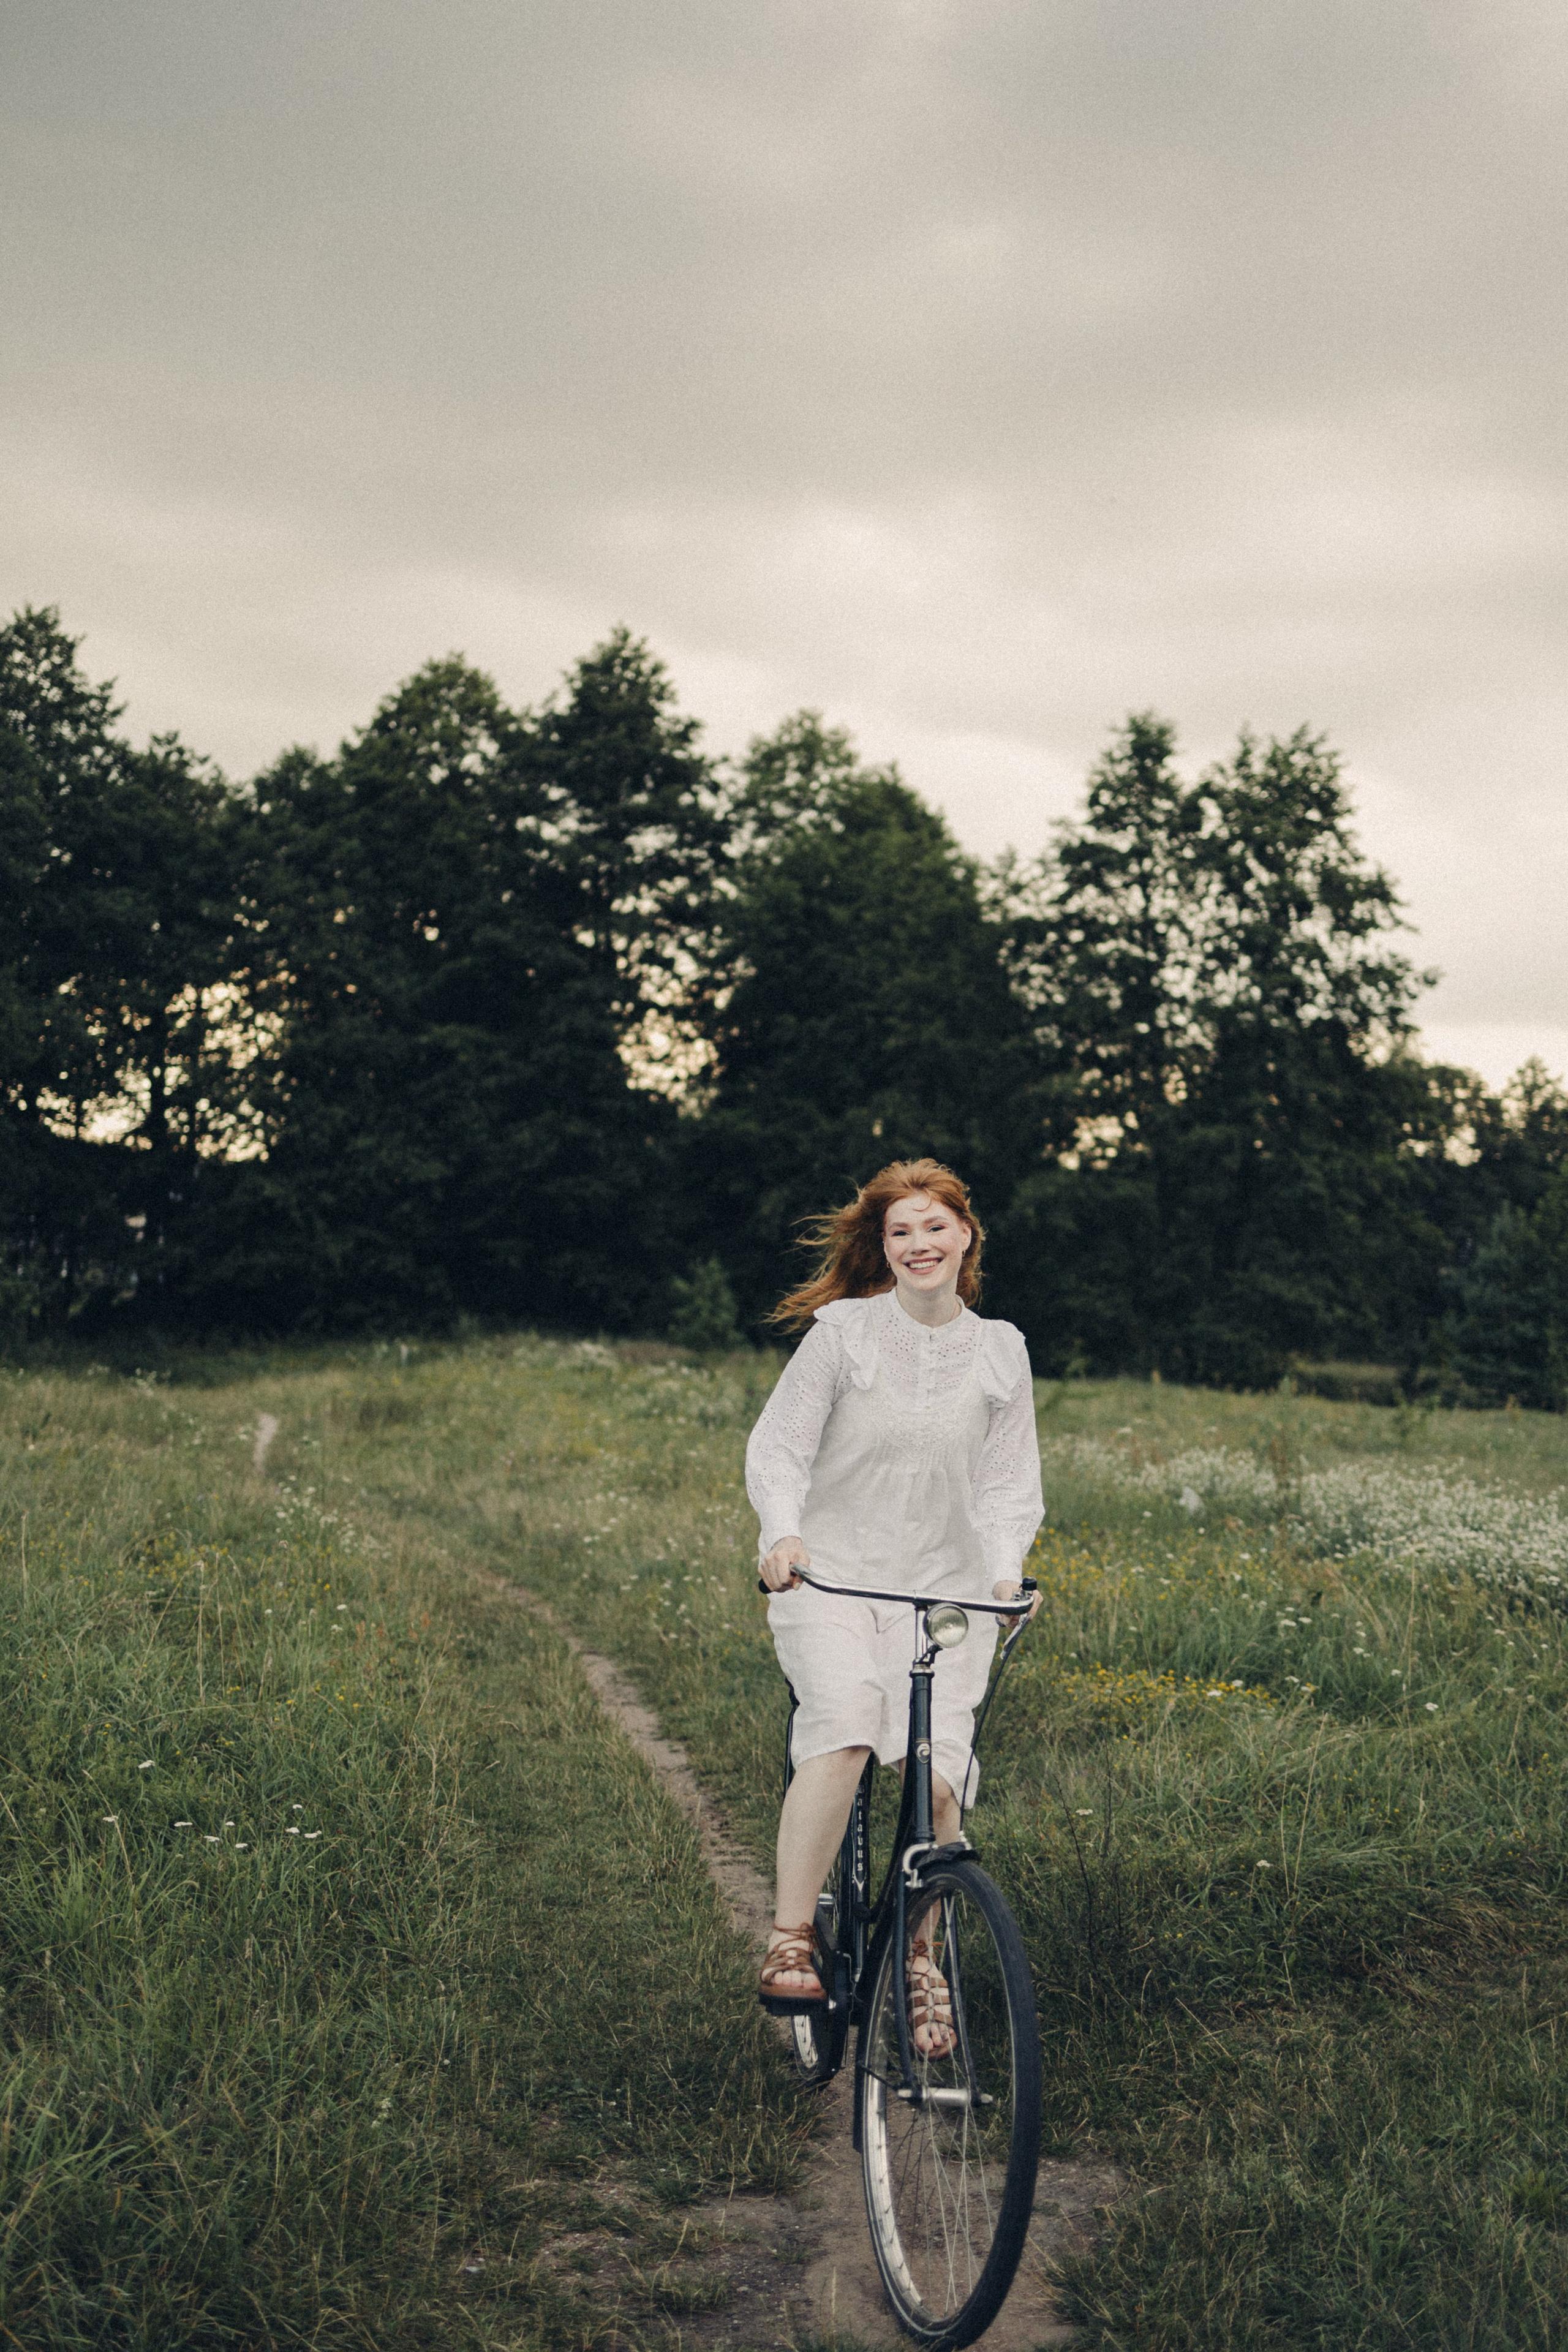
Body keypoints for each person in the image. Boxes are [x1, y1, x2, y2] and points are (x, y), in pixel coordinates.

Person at [747, 1157, 1043, 2048]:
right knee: (842, 1728)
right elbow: (781, 1448)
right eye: (900, 1231)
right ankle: (791, 1936)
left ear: (966, 1236)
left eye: (934, 1226)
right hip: (832, 1578)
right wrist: (782, 1536)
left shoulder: (1003, 1349)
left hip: (946, 1597)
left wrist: (1005, 1576)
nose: (919, 1244)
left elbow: (1006, 1484)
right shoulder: (843, 1334)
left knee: (938, 1784)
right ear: (884, 1247)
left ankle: (922, 1965)